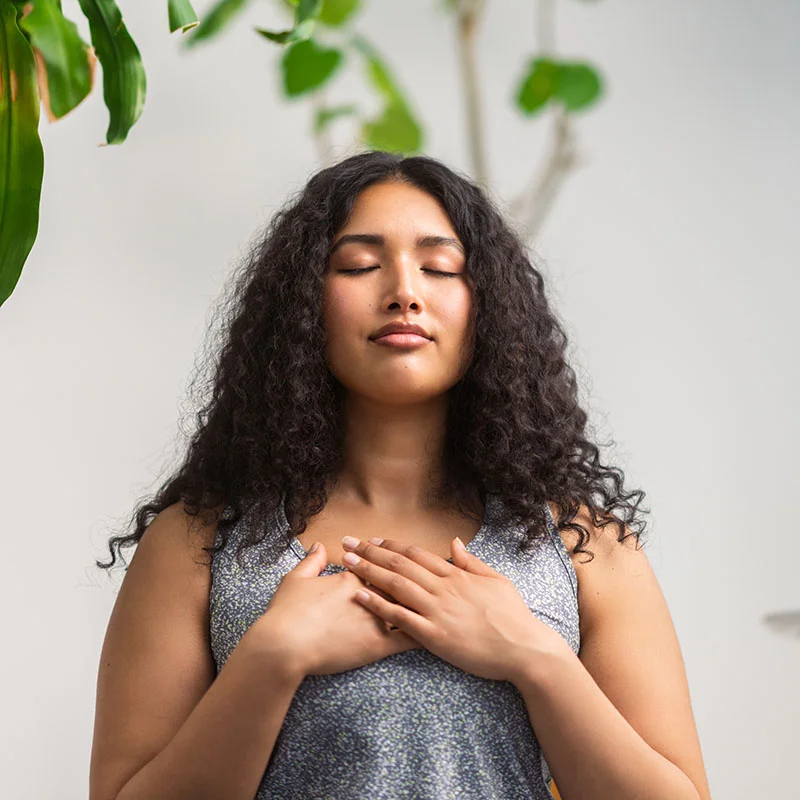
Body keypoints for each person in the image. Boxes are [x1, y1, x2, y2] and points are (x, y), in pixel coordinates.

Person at [89, 150, 711, 800]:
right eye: (359, 264)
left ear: (488, 305)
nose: (404, 292)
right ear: (302, 303)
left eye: (440, 267)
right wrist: (270, 660)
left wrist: (534, 655)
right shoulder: (196, 542)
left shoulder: (585, 544)